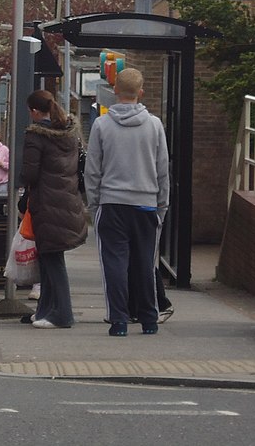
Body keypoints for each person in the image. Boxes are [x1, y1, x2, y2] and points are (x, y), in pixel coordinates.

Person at [84, 67, 170, 337]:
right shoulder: (155, 125)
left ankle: (119, 320)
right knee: (145, 263)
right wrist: (161, 206)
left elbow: (92, 170)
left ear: (115, 92)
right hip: (146, 204)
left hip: (111, 204)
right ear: (141, 92)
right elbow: (162, 170)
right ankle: (149, 320)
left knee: (114, 264)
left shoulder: (101, 125)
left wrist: (94, 206)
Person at [19, 89, 88, 329]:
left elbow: (29, 173)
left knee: (52, 260)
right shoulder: (68, 133)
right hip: (68, 202)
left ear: (35, 111)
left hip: (48, 203)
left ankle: (62, 315)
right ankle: (45, 310)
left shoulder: (36, 136)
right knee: (48, 258)